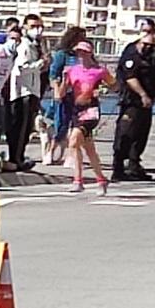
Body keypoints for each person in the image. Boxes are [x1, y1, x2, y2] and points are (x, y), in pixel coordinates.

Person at [112, 19, 155, 181]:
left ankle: (134, 164)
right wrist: (142, 94)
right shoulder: (131, 51)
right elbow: (130, 76)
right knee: (125, 132)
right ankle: (118, 167)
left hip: (148, 100)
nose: (148, 35)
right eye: (145, 31)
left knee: (141, 133)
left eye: (151, 31)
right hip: (131, 100)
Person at [58, 40, 113, 194]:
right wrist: (63, 80)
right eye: (78, 52)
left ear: (90, 53)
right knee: (89, 149)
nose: (80, 55)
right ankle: (101, 179)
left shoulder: (99, 71)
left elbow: (114, 85)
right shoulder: (72, 70)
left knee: (74, 139)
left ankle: (78, 180)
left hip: (91, 111)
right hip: (77, 109)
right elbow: (60, 94)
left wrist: (101, 90)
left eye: (83, 52)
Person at [3, 15, 47, 169]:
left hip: (31, 89)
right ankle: (16, 158)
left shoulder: (36, 45)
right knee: (21, 127)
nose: (38, 30)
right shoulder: (25, 45)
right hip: (24, 91)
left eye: (40, 26)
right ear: (25, 28)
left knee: (26, 127)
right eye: (34, 26)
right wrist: (41, 63)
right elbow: (22, 67)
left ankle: (18, 157)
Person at [45, 25, 85, 165]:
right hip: (64, 93)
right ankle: (51, 150)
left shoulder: (83, 56)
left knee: (76, 126)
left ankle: (70, 154)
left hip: (80, 95)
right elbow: (53, 75)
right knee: (61, 124)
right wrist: (57, 90)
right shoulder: (63, 55)